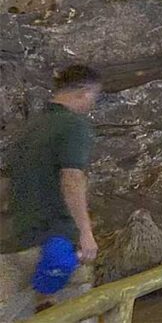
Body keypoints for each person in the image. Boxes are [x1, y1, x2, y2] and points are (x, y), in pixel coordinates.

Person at [1, 66, 101, 321]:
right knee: (77, 311)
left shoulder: (27, 129)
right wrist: (86, 233)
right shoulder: (72, 125)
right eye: (93, 97)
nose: (92, 104)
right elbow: (72, 180)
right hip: (56, 243)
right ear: (84, 93)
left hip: (15, 243)